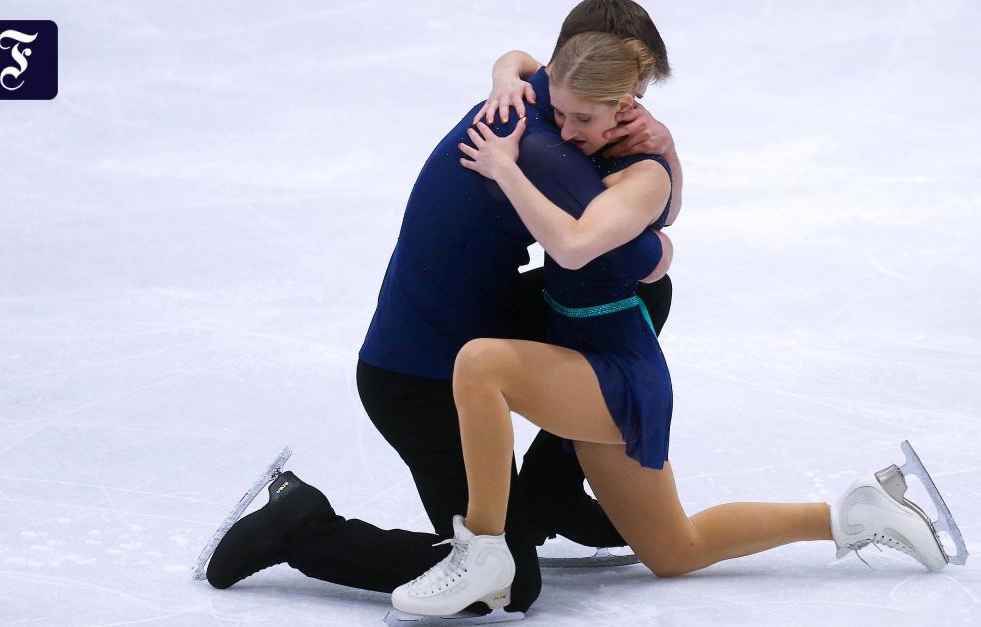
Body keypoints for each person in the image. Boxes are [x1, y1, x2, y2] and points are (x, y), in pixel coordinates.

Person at [391, 32, 962, 618]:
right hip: (579, 347)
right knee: (674, 550)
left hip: (610, 367)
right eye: (559, 113)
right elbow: (530, 64)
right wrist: (505, 75)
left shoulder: (644, 174)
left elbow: (572, 246)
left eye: (582, 118)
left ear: (624, 105)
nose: (565, 130)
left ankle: (483, 549)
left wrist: (506, 169)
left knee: (480, 363)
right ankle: (852, 513)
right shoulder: (591, 130)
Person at [204, 0, 685, 616]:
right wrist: (661, 218)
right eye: (628, 97)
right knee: (508, 585)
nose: (632, 115)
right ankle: (301, 528)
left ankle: (552, 490)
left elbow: (521, 62)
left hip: (472, 323)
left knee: (638, 302)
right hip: (417, 377)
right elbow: (631, 251)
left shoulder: (534, 96)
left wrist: (661, 146)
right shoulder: (539, 147)